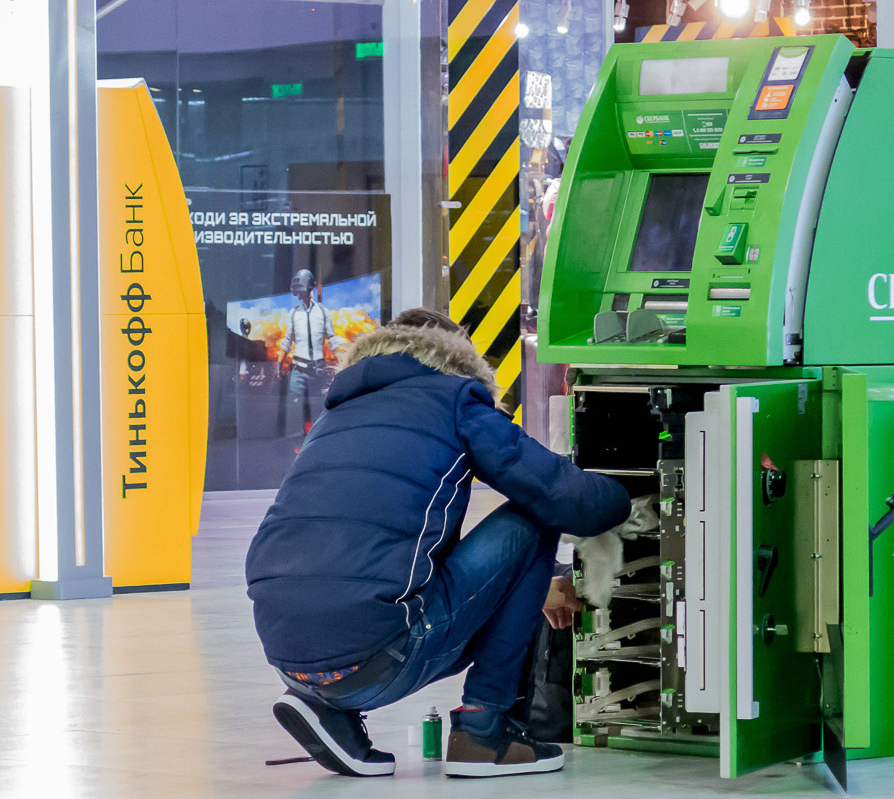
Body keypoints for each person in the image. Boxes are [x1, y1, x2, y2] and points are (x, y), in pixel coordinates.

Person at [245, 308, 630, 779]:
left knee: (369, 566)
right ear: (458, 359)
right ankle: (483, 729)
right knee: (534, 515)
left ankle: (325, 710)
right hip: (379, 654)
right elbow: (561, 496)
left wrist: (533, 587)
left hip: (289, 656)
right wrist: (628, 492)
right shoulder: (455, 397)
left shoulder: (338, 414)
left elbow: (390, 545)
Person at [277, 269, 344, 437]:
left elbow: (332, 340)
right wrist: (279, 363)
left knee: (318, 408)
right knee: (294, 407)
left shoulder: (323, 312)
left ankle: (316, 439)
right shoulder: (293, 313)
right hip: (298, 369)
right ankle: (294, 442)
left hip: (317, 369)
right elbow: (287, 341)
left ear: (310, 287)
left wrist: (344, 361)